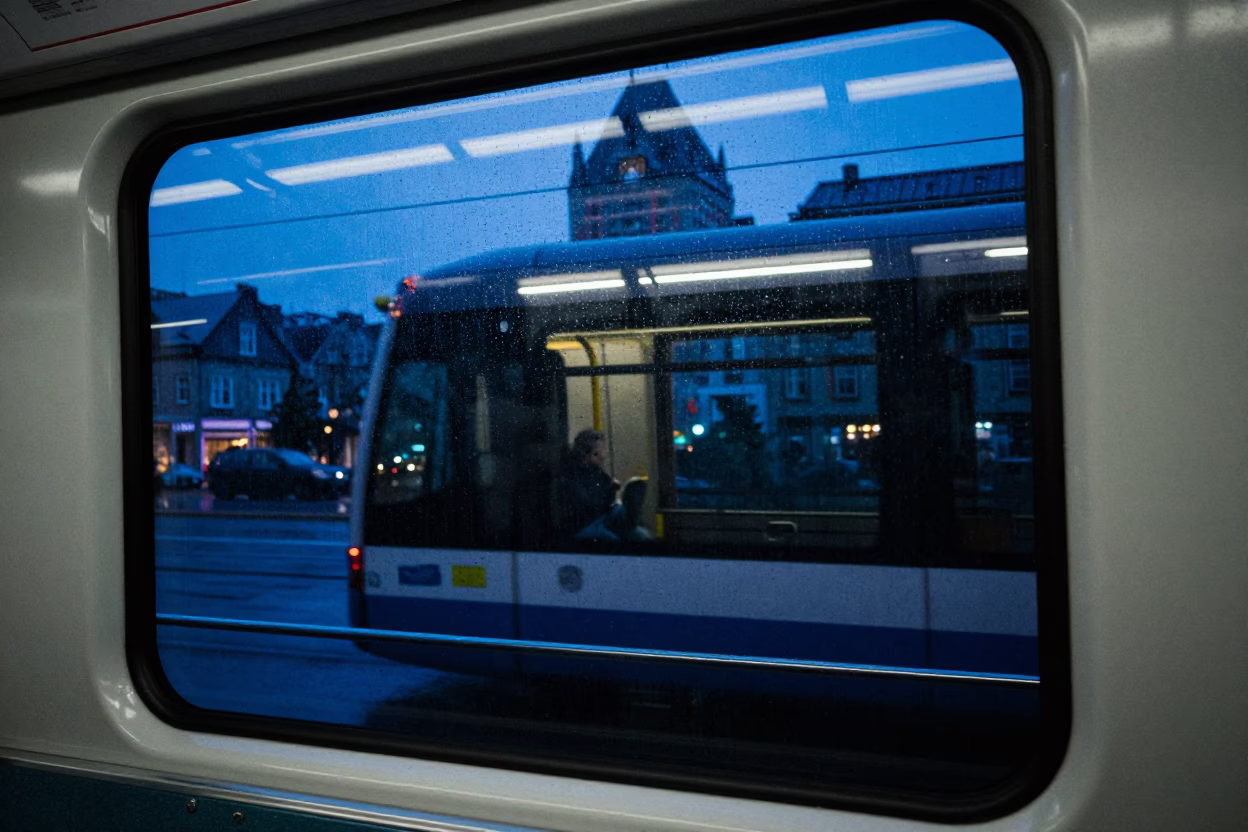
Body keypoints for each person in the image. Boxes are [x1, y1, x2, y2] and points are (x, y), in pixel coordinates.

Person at [555, 429, 618, 539]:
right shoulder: (570, 475)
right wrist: (611, 493)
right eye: (601, 450)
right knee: (613, 539)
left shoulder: (596, 471)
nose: (604, 455)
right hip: (581, 525)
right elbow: (588, 505)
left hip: (597, 517)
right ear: (592, 454)